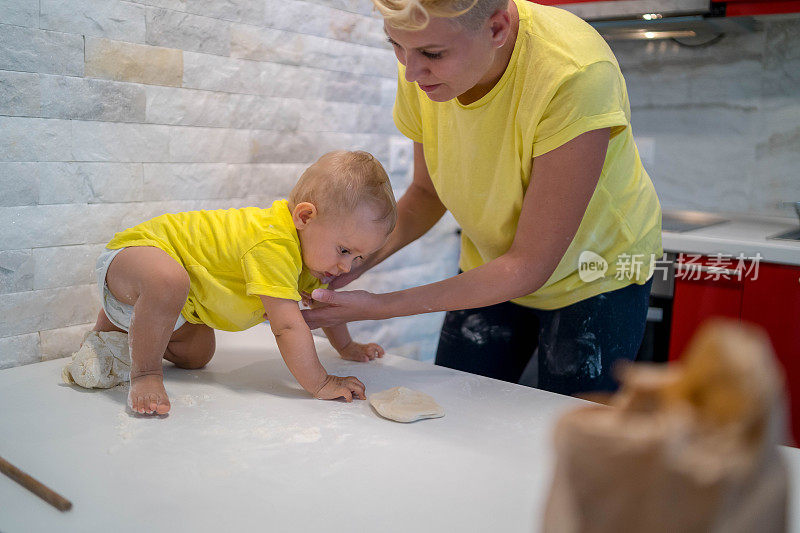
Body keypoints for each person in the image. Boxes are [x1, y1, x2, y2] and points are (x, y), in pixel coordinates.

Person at [303, 0, 662, 397]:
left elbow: (528, 265)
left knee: (573, 436)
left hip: (595, 275)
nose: (411, 71)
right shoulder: (423, 54)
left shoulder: (574, 74)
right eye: (397, 45)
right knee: (455, 413)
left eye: (432, 54)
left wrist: (378, 305)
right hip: (492, 265)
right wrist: (349, 264)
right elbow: (425, 195)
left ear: (496, 29)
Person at [89, 150, 396, 415]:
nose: (346, 266)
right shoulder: (273, 242)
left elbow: (323, 302)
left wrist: (345, 346)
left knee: (197, 356)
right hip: (137, 257)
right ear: (304, 217)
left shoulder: (312, 260)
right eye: (344, 250)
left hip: (181, 306)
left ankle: (120, 331)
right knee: (168, 281)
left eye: (357, 258)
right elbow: (287, 326)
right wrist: (321, 382)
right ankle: (144, 372)